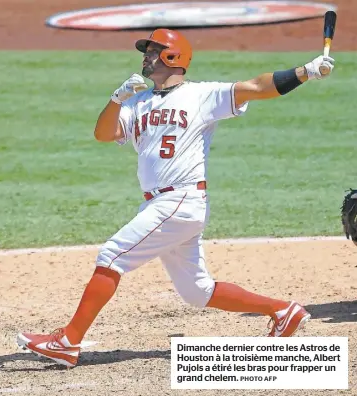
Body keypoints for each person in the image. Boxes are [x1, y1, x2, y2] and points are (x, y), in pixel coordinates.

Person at [17, 29, 335, 368]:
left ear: (173, 57)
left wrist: (306, 71)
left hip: (180, 200)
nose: (146, 56)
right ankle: (282, 311)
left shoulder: (202, 95)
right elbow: (103, 134)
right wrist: (116, 99)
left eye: (154, 50)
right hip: (159, 204)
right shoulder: (137, 101)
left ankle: (68, 341)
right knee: (196, 291)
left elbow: (257, 87)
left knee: (111, 255)